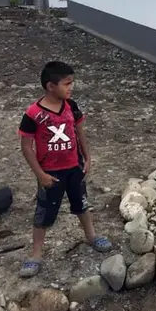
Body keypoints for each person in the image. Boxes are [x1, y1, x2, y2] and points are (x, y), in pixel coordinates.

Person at [17, 61, 111, 278]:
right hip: (51, 173)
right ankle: (36, 254)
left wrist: (87, 158)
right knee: (44, 212)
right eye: (67, 84)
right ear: (51, 86)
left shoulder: (71, 106)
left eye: (72, 83)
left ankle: (91, 236)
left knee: (82, 204)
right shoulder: (33, 113)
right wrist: (40, 175)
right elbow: (26, 147)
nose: (71, 87)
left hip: (74, 168)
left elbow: (79, 132)